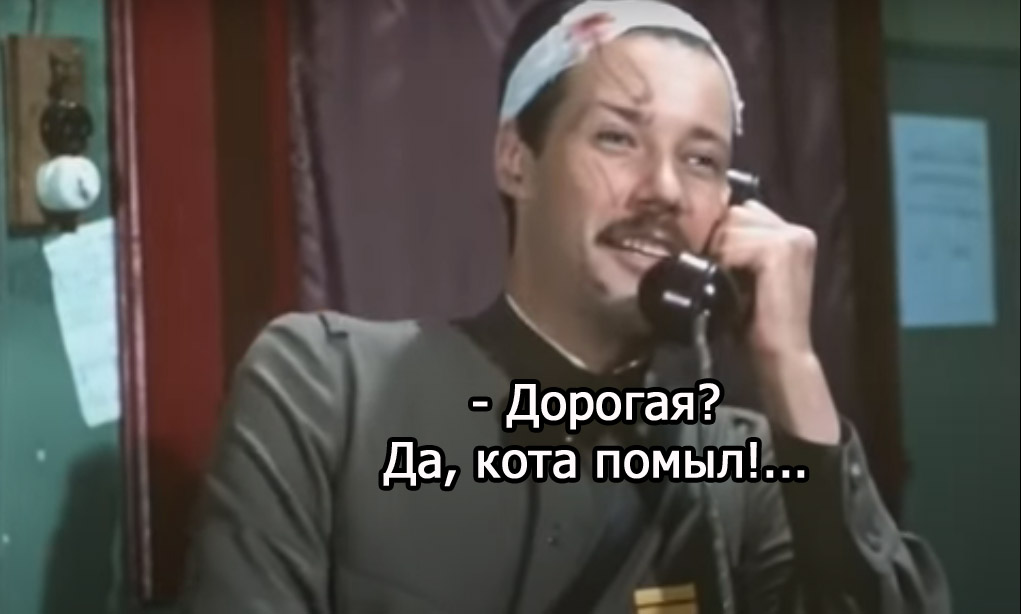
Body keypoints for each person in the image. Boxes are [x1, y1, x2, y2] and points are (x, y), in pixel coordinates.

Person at [180, 1, 951, 612]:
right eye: (617, 138)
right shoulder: (327, 390)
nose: (664, 189)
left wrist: (792, 364)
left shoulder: (736, 466)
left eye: (700, 159)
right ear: (515, 160)